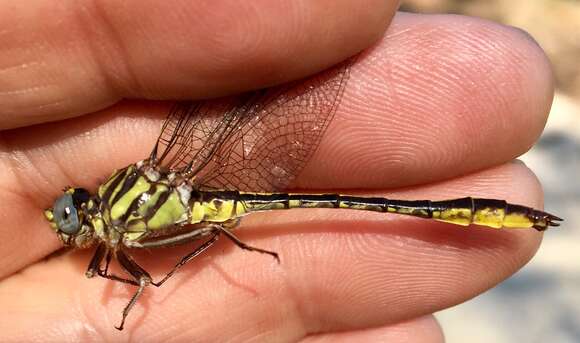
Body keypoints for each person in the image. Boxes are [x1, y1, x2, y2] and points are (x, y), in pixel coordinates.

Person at [0, 1, 554, 341]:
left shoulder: (116, 232)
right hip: (200, 202)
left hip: (209, 204)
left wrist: (153, 278)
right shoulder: (112, 240)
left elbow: (150, 264)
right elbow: (128, 271)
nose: (68, 219)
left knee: (216, 227)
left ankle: (483, 216)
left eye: (73, 214)